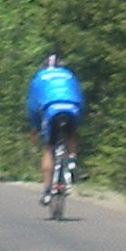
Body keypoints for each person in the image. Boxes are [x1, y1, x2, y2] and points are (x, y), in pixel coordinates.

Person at [26, 54, 85, 205]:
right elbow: (80, 98)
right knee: (73, 134)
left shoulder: (39, 78)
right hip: (72, 109)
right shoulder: (69, 75)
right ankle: (72, 161)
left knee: (48, 149)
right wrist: (80, 118)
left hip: (52, 111)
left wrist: (34, 128)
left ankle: (47, 191)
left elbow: (33, 106)